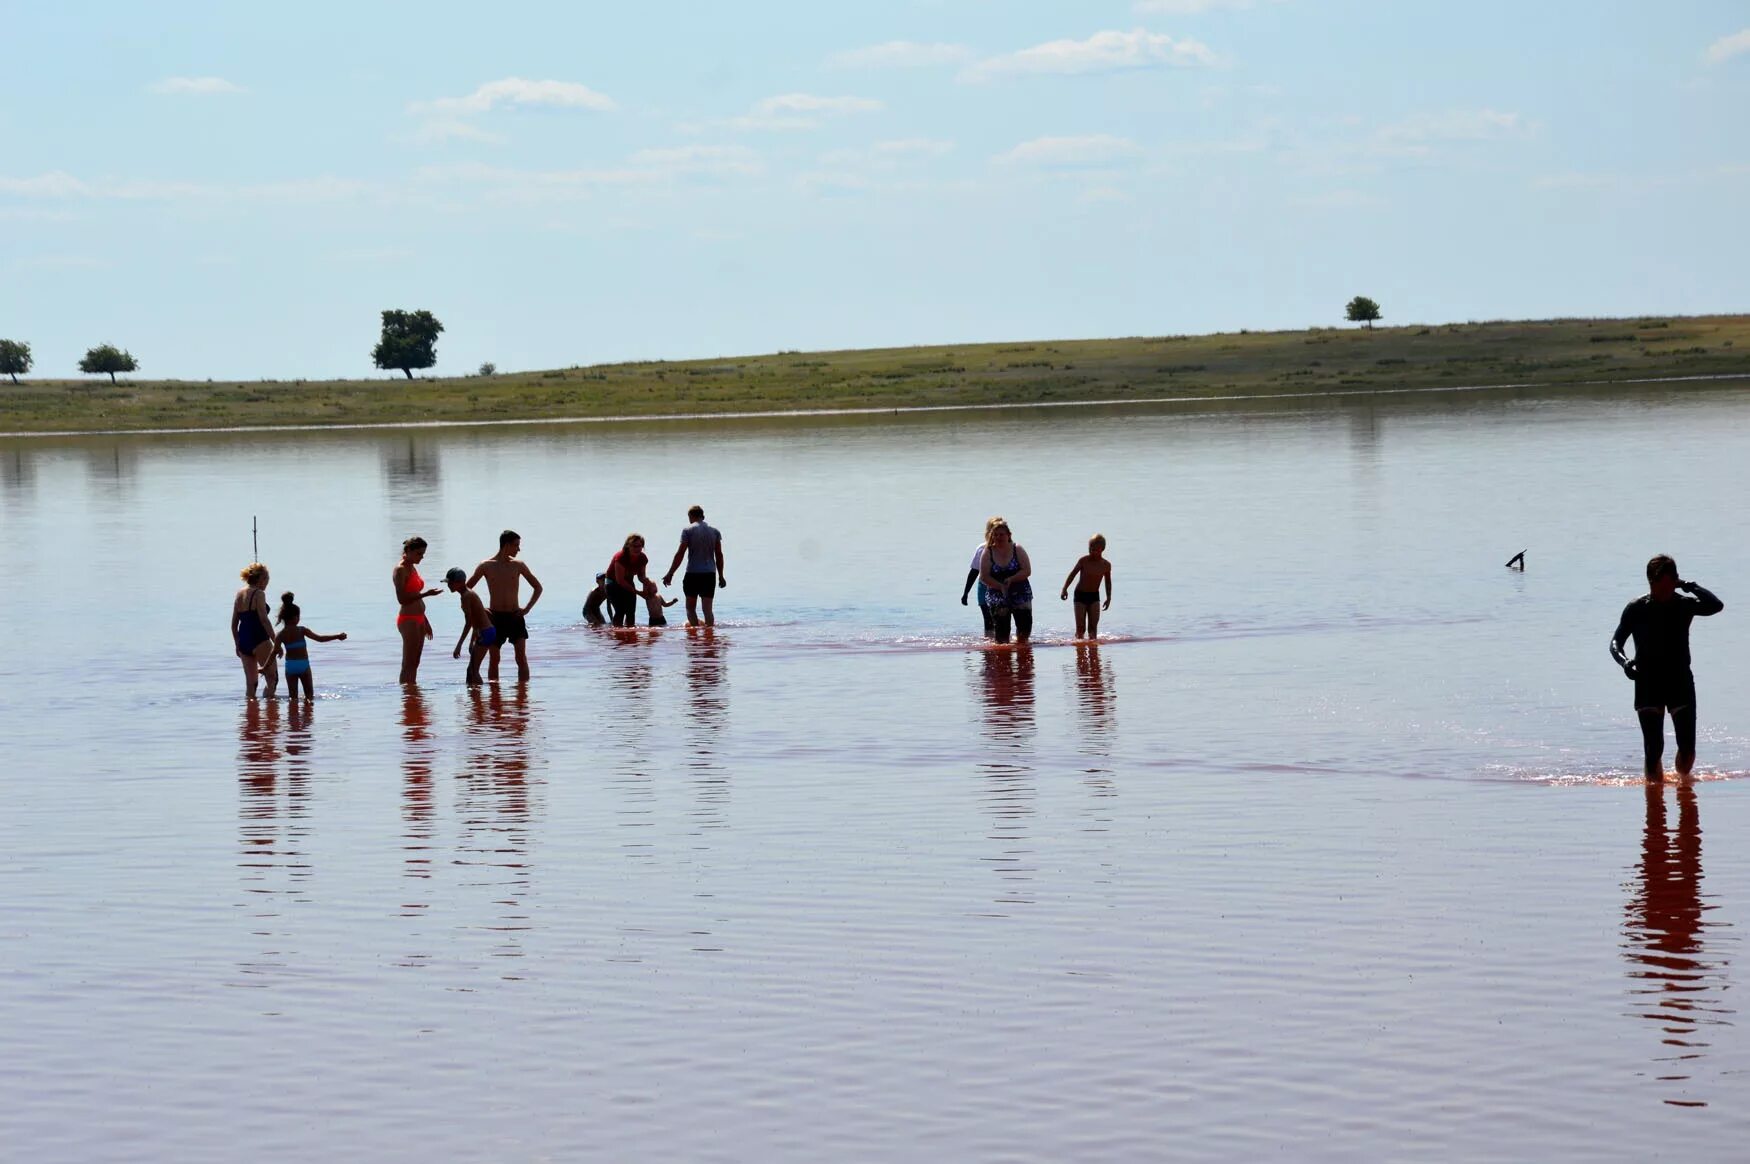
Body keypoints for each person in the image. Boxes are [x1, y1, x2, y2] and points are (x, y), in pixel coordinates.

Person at [1610, 555, 1724, 782]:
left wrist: (1690, 586)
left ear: (1674, 582)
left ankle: (1683, 784)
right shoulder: (1636, 608)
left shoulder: (1684, 604)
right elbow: (1615, 643)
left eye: (1664, 586)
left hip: (1679, 680)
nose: (1658, 591)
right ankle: (1655, 803)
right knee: (1653, 751)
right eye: (1654, 586)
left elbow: (1716, 606)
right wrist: (1625, 662)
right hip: (1647, 681)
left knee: (1688, 751)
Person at [468, 529, 543, 682]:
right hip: (494, 617)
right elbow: (467, 590)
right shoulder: (486, 566)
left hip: (515, 616)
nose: (518, 549)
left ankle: (523, 696)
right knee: (494, 660)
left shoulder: (518, 565)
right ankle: (495, 698)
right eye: (516, 545)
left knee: (521, 658)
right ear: (506, 545)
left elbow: (538, 587)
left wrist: (527, 608)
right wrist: (479, 613)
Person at [273, 591, 347, 701]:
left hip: (290, 667)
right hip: (304, 665)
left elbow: (274, 652)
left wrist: (264, 668)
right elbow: (320, 639)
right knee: (309, 697)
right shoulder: (302, 630)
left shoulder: (280, 634)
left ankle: (292, 717)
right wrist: (337, 636)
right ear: (295, 617)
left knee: (292, 698)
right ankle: (308, 716)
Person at [663, 505, 727, 627]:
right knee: (707, 609)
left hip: (692, 573)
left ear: (691, 516)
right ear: (703, 516)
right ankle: (709, 636)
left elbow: (680, 553)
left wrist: (670, 573)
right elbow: (719, 555)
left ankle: (694, 637)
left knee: (690, 608)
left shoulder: (687, 530)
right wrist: (721, 576)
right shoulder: (715, 532)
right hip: (709, 574)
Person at [393, 536, 442, 684]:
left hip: (419, 618)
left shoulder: (412, 567)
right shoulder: (400, 570)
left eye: (423, 554)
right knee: (408, 663)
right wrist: (427, 593)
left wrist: (426, 621)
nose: (422, 557)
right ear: (408, 551)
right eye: (419, 554)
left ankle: (412, 697)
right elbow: (402, 599)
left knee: (415, 662)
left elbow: (416, 597)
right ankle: (406, 696)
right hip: (408, 620)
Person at [979, 519, 1034, 645]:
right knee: (1002, 634)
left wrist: (1011, 579)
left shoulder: (1017, 549)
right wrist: (999, 586)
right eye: (996, 535)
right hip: (997, 593)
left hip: (1020, 591)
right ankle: (1004, 661)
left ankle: (1023, 656)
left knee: (1024, 629)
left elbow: (1027, 571)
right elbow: (984, 576)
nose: (999, 537)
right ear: (992, 536)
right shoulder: (988, 552)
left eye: (1002, 534)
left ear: (1009, 535)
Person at [232, 562, 279, 698]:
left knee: (251, 684)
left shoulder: (239, 594)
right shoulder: (258, 594)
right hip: (259, 639)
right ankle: (270, 709)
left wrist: (237, 644)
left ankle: (251, 715)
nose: (266, 585)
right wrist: (276, 642)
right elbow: (264, 620)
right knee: (273, 679)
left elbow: (234, 624)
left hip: (244, 640)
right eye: (267, 581)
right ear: (261, 579)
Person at [446, 567, 497, 686]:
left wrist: (459, 645)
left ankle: (478, 700)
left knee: (473, 671)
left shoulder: (466, 596)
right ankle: (475, 700)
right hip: (485, 632)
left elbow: (468, 623)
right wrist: (472, 641)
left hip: (486, 633)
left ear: (459, 582)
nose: (448, 585)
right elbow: (476, 620)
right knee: (471, 671)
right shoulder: (467, 594)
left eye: (450, 583)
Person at [1060, 534, 1114, 640]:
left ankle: (1094, 655)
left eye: (1096, 550)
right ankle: (1080, 654)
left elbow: (1108, 582)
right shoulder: (1084, 561)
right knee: (1080, 629)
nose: (1093, 552)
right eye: (1091, 549)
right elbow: (1073, 574)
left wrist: (1108, 598)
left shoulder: (1106, 565)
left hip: (1094, 596)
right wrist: (1064, 589)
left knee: (1093, 629)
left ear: (1102, 549)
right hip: (1080, 595)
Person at [960, 517, 1000, 638]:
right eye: (994, 532)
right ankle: (989, 648)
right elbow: (974, 572)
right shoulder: (982, 548)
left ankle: (1001, 645)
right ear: (988, 533)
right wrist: (966, 593)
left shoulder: (1010, 548)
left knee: (999, 619)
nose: (997, 536)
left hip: (1000, 587)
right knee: (988, 619)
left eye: (1000, 533)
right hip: (983, 587)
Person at [606, 533, 651, 628]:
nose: (637, 549)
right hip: (613, 584)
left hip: (629, 582)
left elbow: (641, 576)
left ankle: (630, 635)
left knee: (631, 612)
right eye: (634, 546)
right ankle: (617, 634)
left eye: (640, 546)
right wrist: (638, 592)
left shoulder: (642, 558)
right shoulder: (621, 557)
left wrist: (647, 582)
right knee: (620, 611)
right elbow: (620, 581)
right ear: (628, 545)